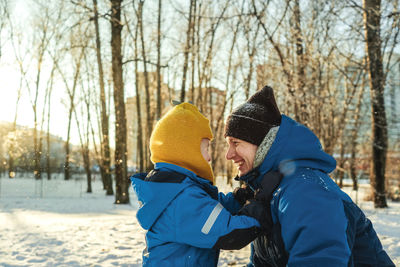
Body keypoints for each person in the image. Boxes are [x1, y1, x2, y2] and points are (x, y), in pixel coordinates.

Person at [223, 85, 395, 267]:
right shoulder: (270, 190)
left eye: (236, 143)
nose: (229, 154)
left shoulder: (306, 190)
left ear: (264, 143)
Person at [130, 102, 270, 266]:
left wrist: (238, 198)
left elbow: (211, 209)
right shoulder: (181, 201)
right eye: (205, 149)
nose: (209, 158)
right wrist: (259, 208)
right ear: (186, 152)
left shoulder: (176, 191)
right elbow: (230, 234)